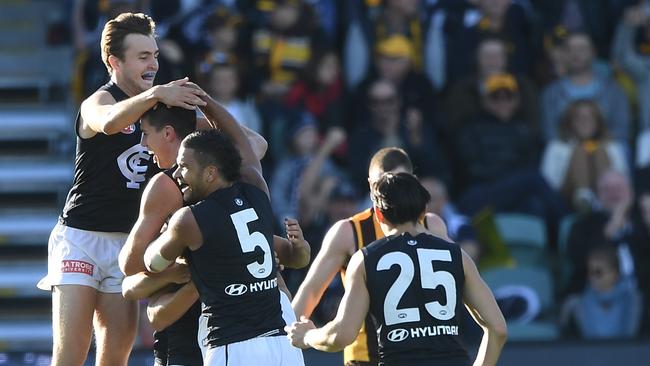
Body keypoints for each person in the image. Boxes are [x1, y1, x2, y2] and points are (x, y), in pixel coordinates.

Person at [37, 12, 207, 366]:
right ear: (115, 62)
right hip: (80, 239)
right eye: (143, 56)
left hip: (128, 244)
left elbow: (253, 145)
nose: (153, 64)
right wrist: (158, 93)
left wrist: (207, 106)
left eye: (156, 55)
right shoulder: (98, 102)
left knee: (116, 355)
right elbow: (111, 123)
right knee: (70, 354)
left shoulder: (165, 109)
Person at [119, 92, 310, 364]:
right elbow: (253, 144)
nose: (176, 173)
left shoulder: (182, 209)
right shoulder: (253, 188)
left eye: (146, 133)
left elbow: (142, 268)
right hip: (278, 333)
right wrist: (204, 104)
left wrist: (180, 261)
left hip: (231, 339)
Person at [286, 172, 507, 366]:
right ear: (424, 210)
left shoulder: (366, 259)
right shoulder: (458, 255)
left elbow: (342, 336)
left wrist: (308, 336)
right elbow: (498, 328)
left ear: (378, 214)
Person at [292, 146, 449, 366]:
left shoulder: (433, 225)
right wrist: (286, 336)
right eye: (382, 185)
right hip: (367, 358)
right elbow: (311, 291)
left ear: (413, 182)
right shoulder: (349, 231)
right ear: (370, 185)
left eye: (399, 182)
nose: (391, 194)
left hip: (422, 355)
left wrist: (305, 336)